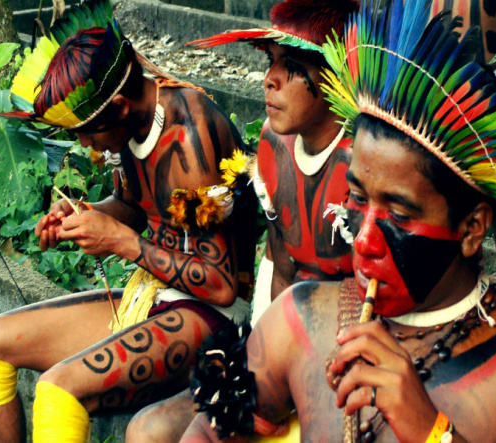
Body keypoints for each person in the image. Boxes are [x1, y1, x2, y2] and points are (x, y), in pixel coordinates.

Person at [180, 1, 496, 442]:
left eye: (398, 213)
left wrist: (430, 430)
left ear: (472, 229)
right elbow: (205, 432)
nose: (365, 240)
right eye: (356, 198)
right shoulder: (301, 318)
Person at [0, 1, 257, 442]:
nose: (83, 142)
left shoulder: (188, 135)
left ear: (118, 105)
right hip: (152, 296)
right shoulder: (133, 122)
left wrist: (121, 242)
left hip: (211, 317)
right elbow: (136, 205)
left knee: (57, 393)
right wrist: (86, 217)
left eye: (88, 130)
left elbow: (220, 285)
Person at [123, 2, 358, 442]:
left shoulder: (366, 161)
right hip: (283, 348)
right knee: (147, 431)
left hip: (350, 364)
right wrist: (265, 364)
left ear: (336, 77)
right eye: (270, 63)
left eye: (291, 67)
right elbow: (282, 268)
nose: (269, 79)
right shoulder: (274, 145)